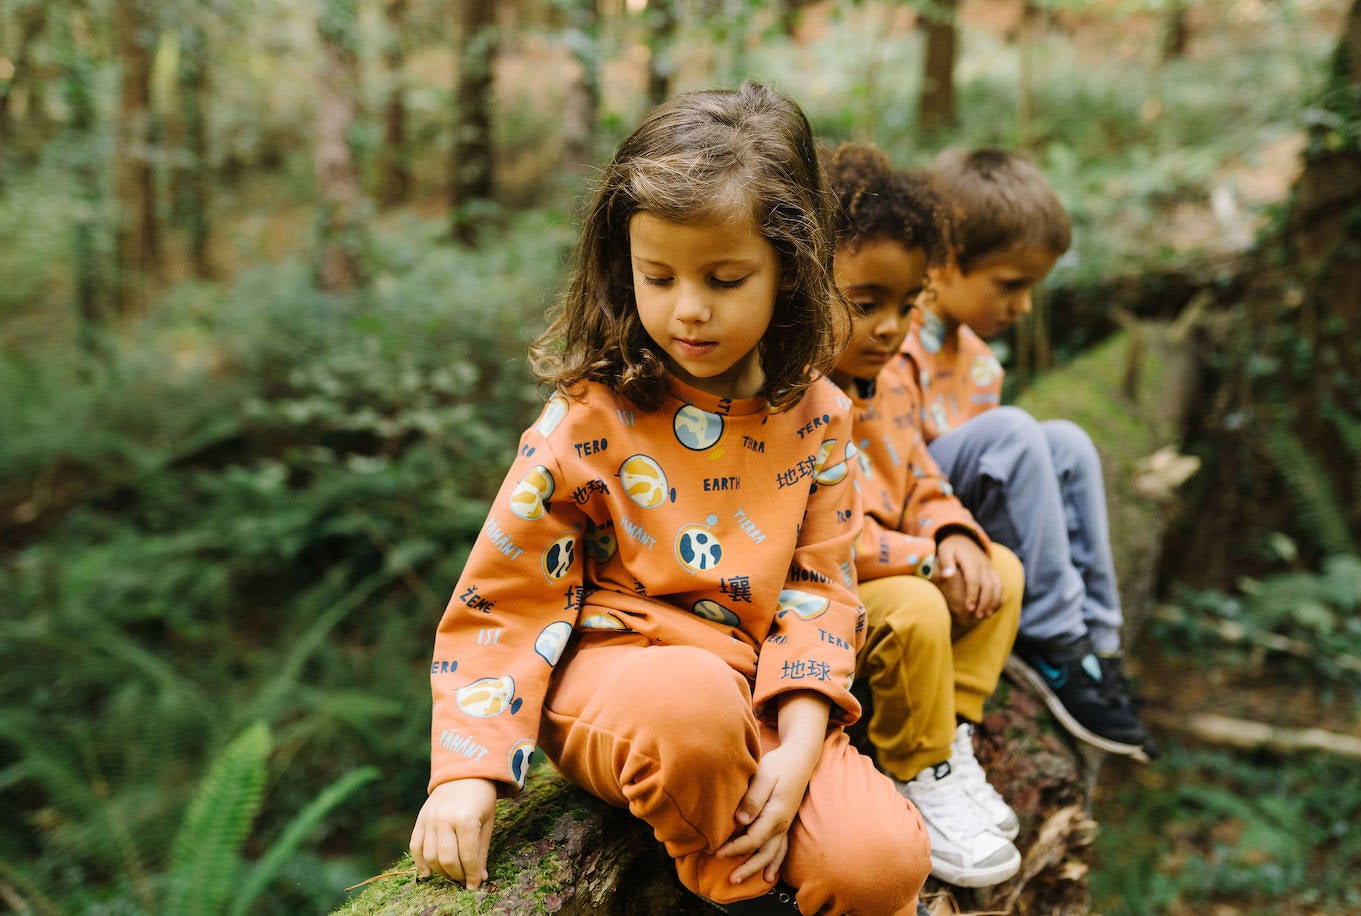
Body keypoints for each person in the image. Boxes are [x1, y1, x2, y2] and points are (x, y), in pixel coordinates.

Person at [409, 82, 931, 916]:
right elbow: (505, 598)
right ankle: (739, 896)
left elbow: (822, 590)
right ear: (626, 267)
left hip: (760, 692)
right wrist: (467, 772)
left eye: (725, 278)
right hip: (624, 681)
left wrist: (799, 745)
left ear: (790, 271)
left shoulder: (822, 415)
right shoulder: (588, 420)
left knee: (883, 864)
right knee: (687, 705)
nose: (688, 308)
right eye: (658, 276)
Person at [898, 147, 1152, 759]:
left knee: (1067, 440)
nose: (1025, 305)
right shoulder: (890, 341)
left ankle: (1098, 642)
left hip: (966, 524)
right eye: (1010, 285)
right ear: (943, 263)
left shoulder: (979, 361)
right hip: (912, 517)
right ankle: (1055, 643)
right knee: (1015, 431)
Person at [822, 144, 1024, 889]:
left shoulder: (888, 387)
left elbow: (921, 475)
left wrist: (952, 532)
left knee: (1002, 567)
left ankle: (952, 735)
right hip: (827, 604)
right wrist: (924, 559)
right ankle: (917, 768)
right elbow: (826, 539)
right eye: (866, 302)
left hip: (901, 561)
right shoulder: (792, 400)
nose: (890, 328)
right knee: (912, 606)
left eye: (906, 307)